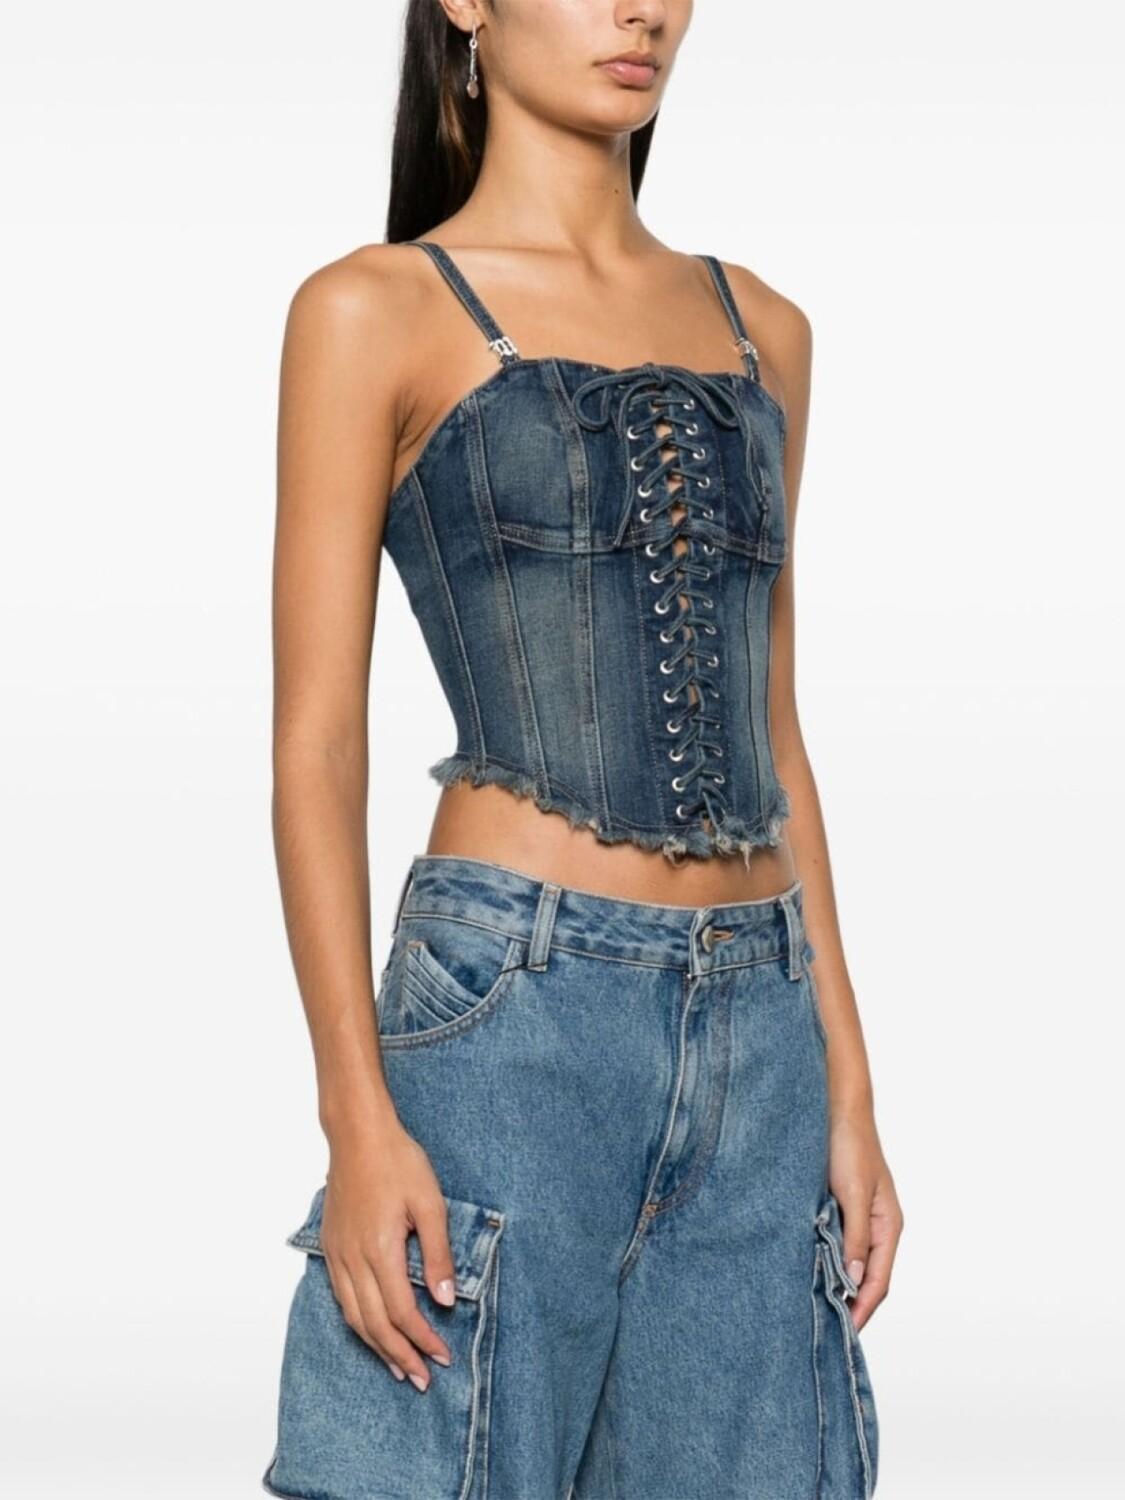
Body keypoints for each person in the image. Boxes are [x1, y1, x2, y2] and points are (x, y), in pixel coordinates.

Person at [262, 2, 903, 1496]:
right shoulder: (374, 309)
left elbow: (775, 729)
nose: (643, 10)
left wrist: (848, 1080)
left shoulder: (762, 327)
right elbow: (316, 746)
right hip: (512, 1015)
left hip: (762, 1028)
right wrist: (356, 1119)